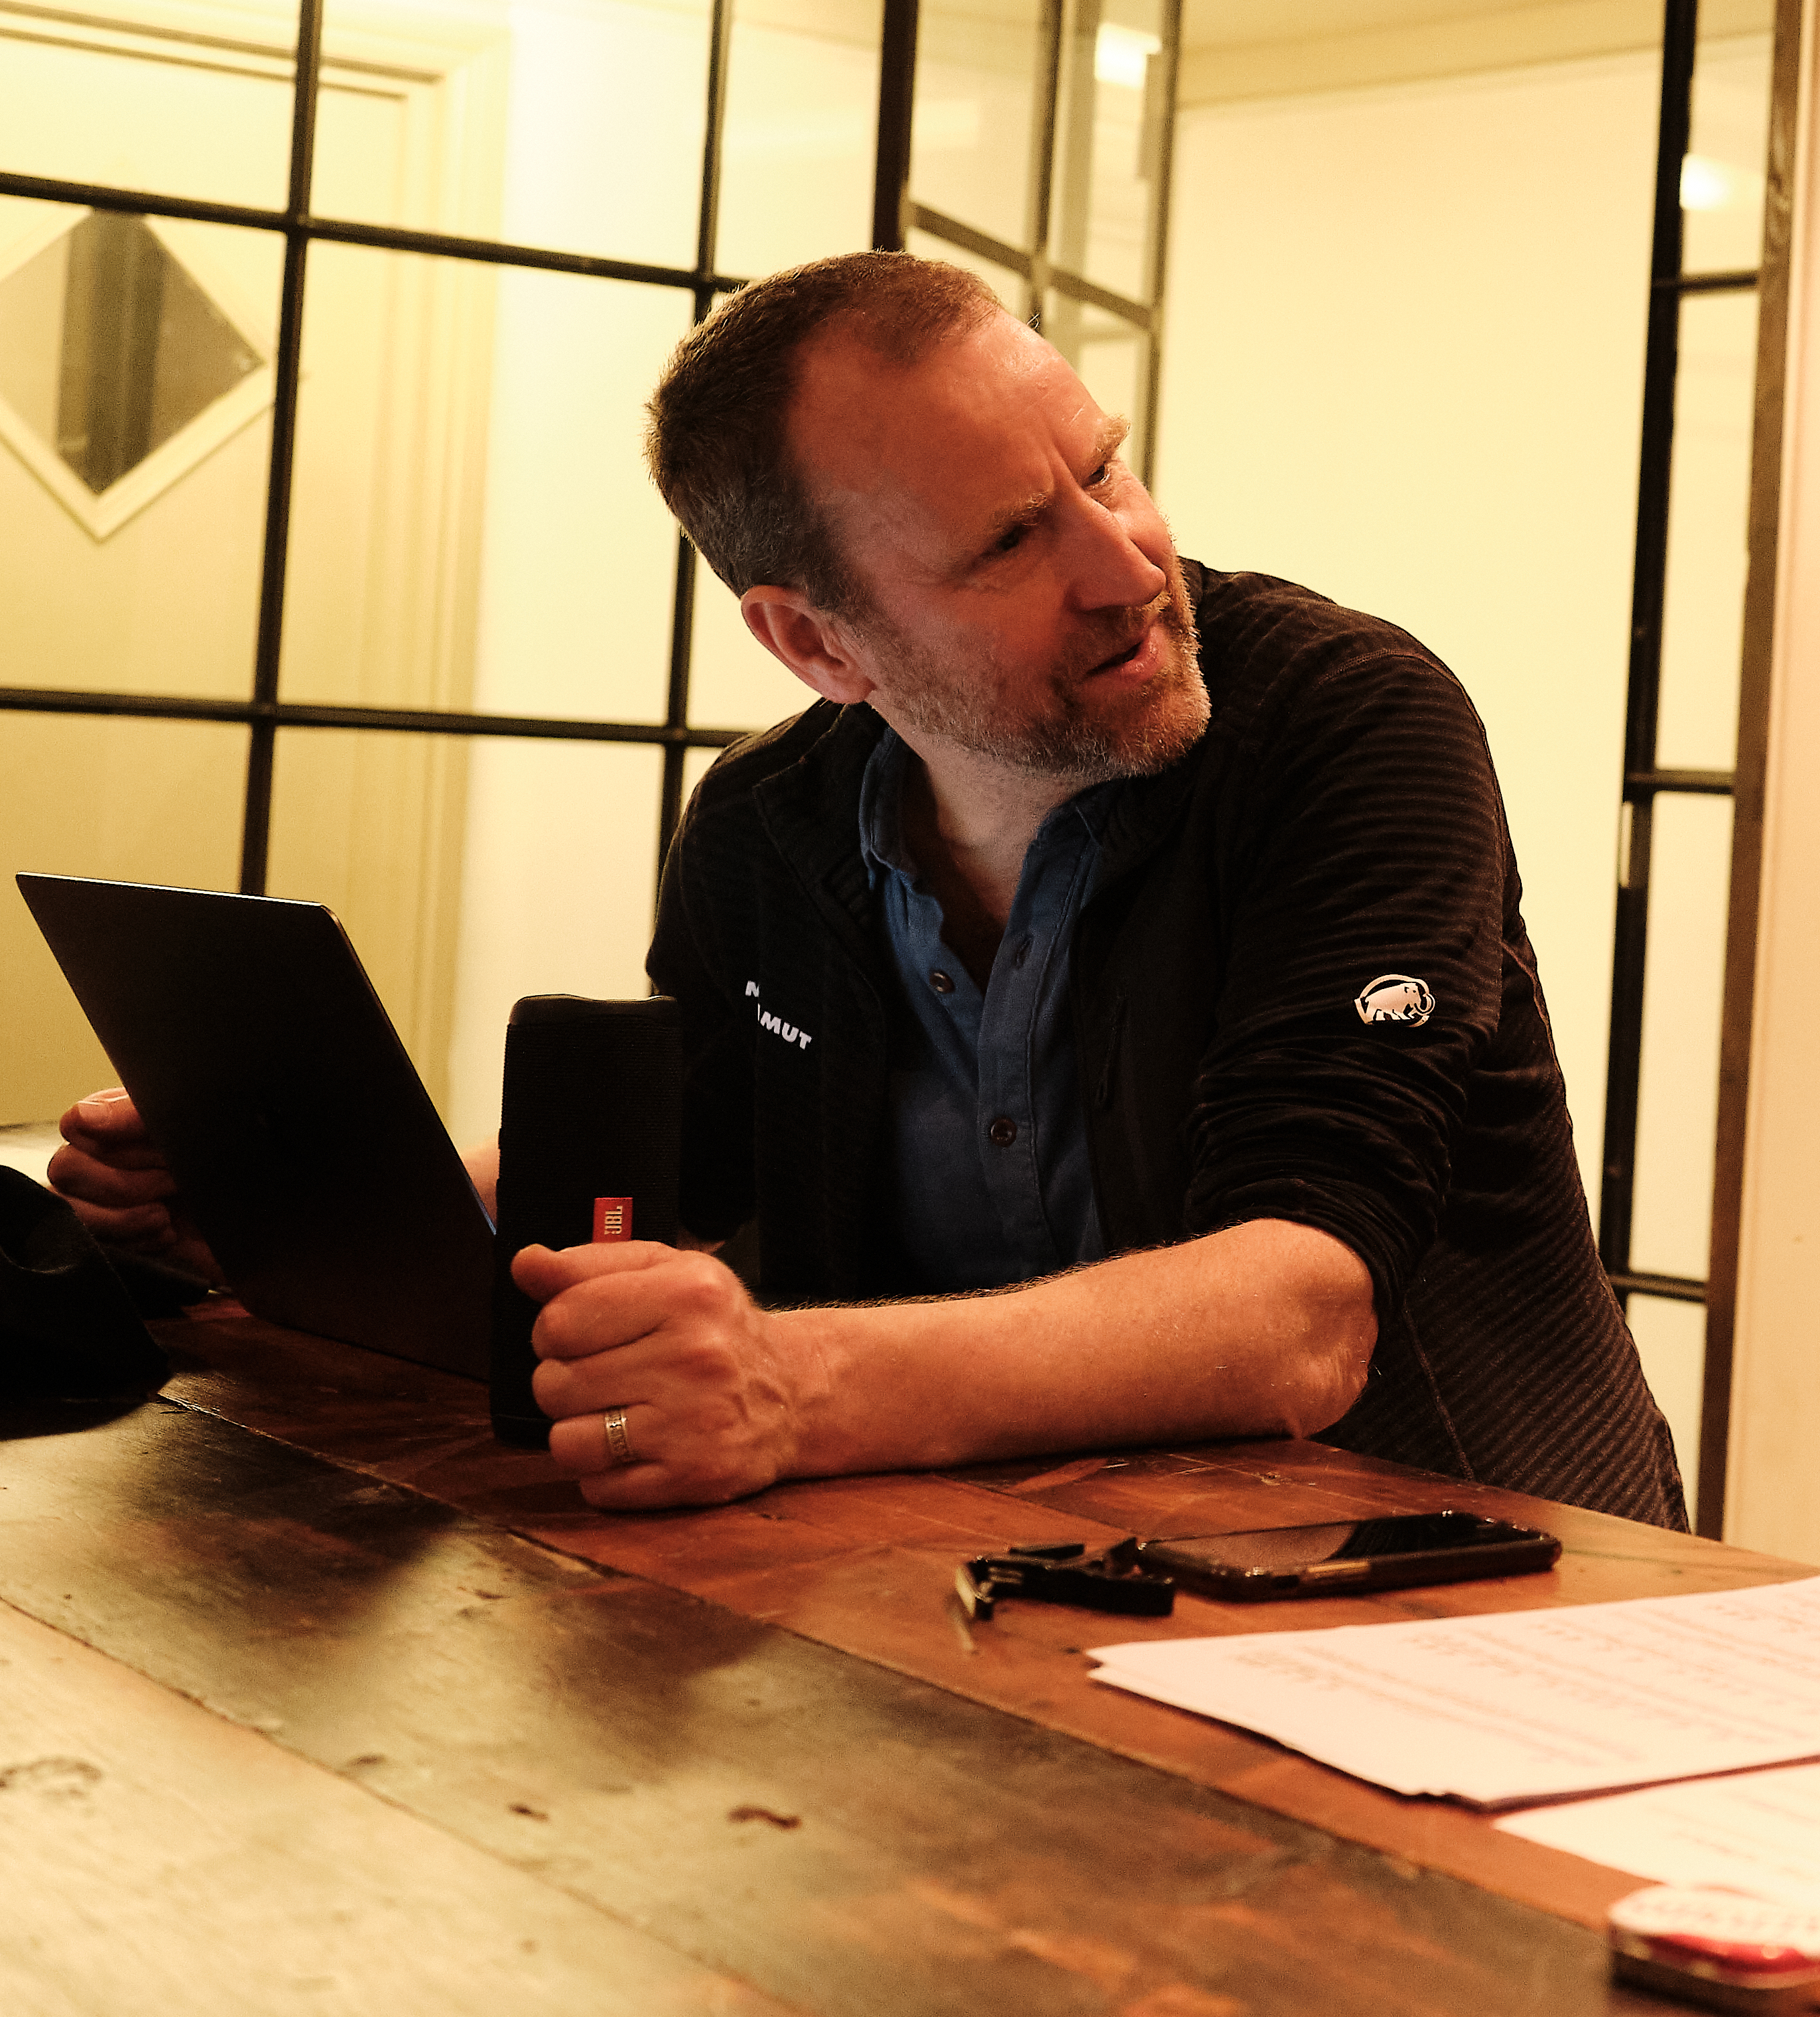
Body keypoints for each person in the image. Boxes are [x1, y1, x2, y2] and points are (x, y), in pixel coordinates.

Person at [58, 249, 1681, 1526]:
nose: (1128, 570)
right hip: (1032, 1587)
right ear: (815, 642)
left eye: (1107, 476)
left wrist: (789, 1382)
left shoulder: (1346, 723)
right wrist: (293, 1212)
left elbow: (1297, 1314)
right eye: (1010, 545)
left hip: (1475, 1573)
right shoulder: (767, 831)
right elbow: (678, 1159)